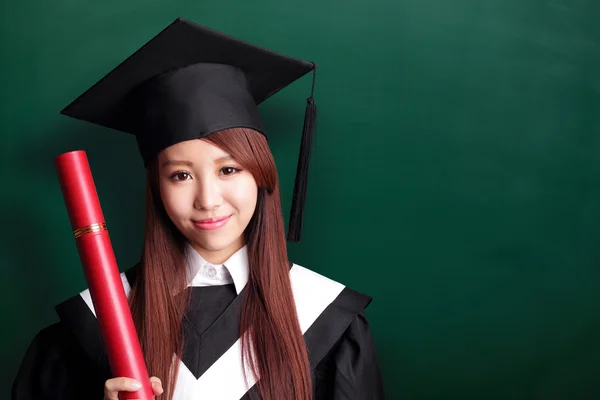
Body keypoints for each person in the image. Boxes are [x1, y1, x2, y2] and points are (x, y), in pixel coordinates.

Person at [12, 17, 385, 400]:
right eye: (180, 176)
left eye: (228, 169)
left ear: (261, 175)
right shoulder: (90, 329)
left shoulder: (329, 321)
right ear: (157, 188)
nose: (207, 199)